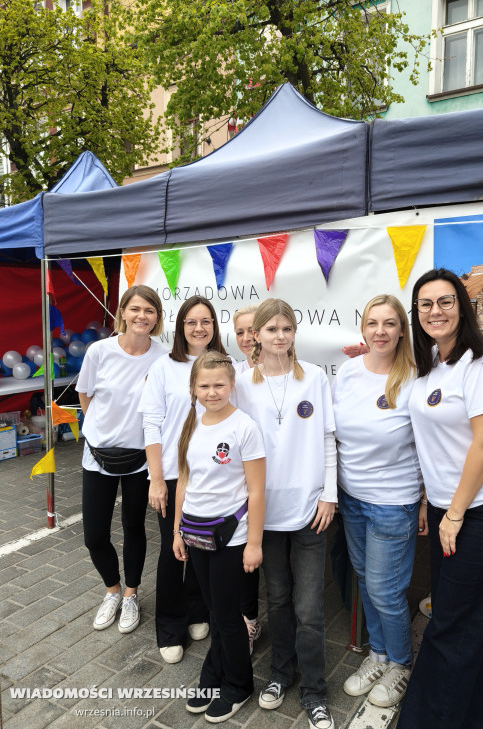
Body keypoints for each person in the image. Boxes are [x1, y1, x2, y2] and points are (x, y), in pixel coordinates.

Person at [397, 268, 483, 729]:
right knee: (462, 627)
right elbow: (434, 447)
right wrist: (435, 503)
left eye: (445, 301)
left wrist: (453, 512)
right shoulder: (431, 359)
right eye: (426, 304)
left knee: (449, 627)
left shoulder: (482, 362)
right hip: (453, 510)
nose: (435, 311)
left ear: (461, 306)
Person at [235, 299, 337, 729]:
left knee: (309, 607)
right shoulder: (240, 383)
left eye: (287, 329)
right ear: (255, 335)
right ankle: (281, 672)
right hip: (266, 514)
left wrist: (329, 494)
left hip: (310, 509)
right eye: (271, 329)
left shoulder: (313, 377)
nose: (280, 336)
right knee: (276, 599)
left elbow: (329, 438)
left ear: (295, 333)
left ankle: (314, 691)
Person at [332, 295, 427, 708]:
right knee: (365, 580)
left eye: (390, 324)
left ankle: (401, 664)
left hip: (394, 502)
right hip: (351, 497)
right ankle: (379, 654)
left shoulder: (416, 377)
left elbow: (430, 445)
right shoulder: (349, 372)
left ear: (402, 330)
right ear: (363, 329)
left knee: (386, 590)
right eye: (373, 323)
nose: (380, 331)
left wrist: (424, 501)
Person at [173, 351, 266, 723]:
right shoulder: (191, 422)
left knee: (228, 615)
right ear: (193, 388)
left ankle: (239, 684)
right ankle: (214, 673)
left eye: (219, 385)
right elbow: (184, 479)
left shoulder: (244, 427)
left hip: (231, 536)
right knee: (215, 610)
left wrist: (255, 543)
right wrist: (178, 529)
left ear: (232, 385)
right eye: (204, 386)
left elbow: (257, 491)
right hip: (195, 532)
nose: (212, 392)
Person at [139, 296, 226, 663]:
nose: (199, 328)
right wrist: (156, 479)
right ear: (180, 327)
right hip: (174, 476)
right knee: (173, 550)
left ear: (214, 326)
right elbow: (152, 423)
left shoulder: (225, 364)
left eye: (206, 321)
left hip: (213, 476)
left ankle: (197, 609)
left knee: (203, 546)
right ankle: (170, 625)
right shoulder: (164, 367)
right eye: (191, 321)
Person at [77, 285, 166, 633]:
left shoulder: (161, 357)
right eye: (136, 309)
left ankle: (130, 594)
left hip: (140, 459)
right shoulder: (99, 351)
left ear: (157, 317)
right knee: (94, 535)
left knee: (133, 528)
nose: (142, 316)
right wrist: (101, 430)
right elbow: (85, 395)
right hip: (98, 456)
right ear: (123, 313)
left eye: (150, 310)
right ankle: (111, 589)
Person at [232, 304, 262, 650]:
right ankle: (248, 621)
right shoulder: (234, 376)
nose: (247, 338)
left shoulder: (289, 372)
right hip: (243, 482)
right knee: (245, 557)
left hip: (279, 481)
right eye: (240, 332)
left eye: (252, 329)